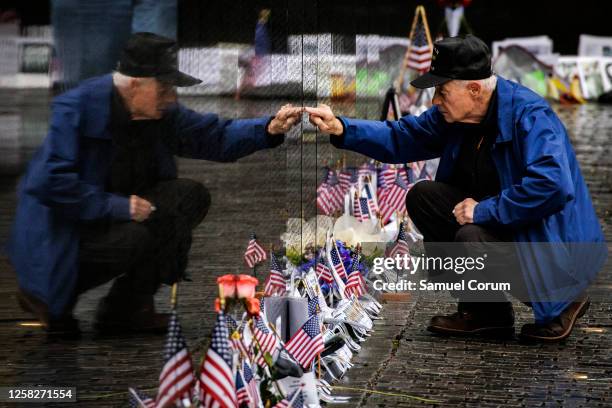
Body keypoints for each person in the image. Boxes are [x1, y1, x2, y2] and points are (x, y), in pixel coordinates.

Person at [306, 35, 607, 342]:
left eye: (442, 91)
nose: (435, 100)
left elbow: (553, 185)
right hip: (506, 223)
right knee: (424, 198)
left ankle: (563, 298)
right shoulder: (456, 116)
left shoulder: (530, 116)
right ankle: (486, 313)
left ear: (474, 88)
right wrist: (342, 128)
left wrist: (484, 210)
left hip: (556, 243)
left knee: (471, 236)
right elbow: (402, 136)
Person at [8, 32, 302, 334]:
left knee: (187, 198)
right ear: (136, 84)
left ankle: (126, 307)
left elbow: (213, 136)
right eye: (163, 89)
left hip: (117, 214)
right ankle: (53, 295)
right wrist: (119, 207)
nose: (170, 98)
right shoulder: (77, 109)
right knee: (133, 238)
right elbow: (49, 183)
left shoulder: (159, 113)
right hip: (58, 237)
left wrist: (268, 127)